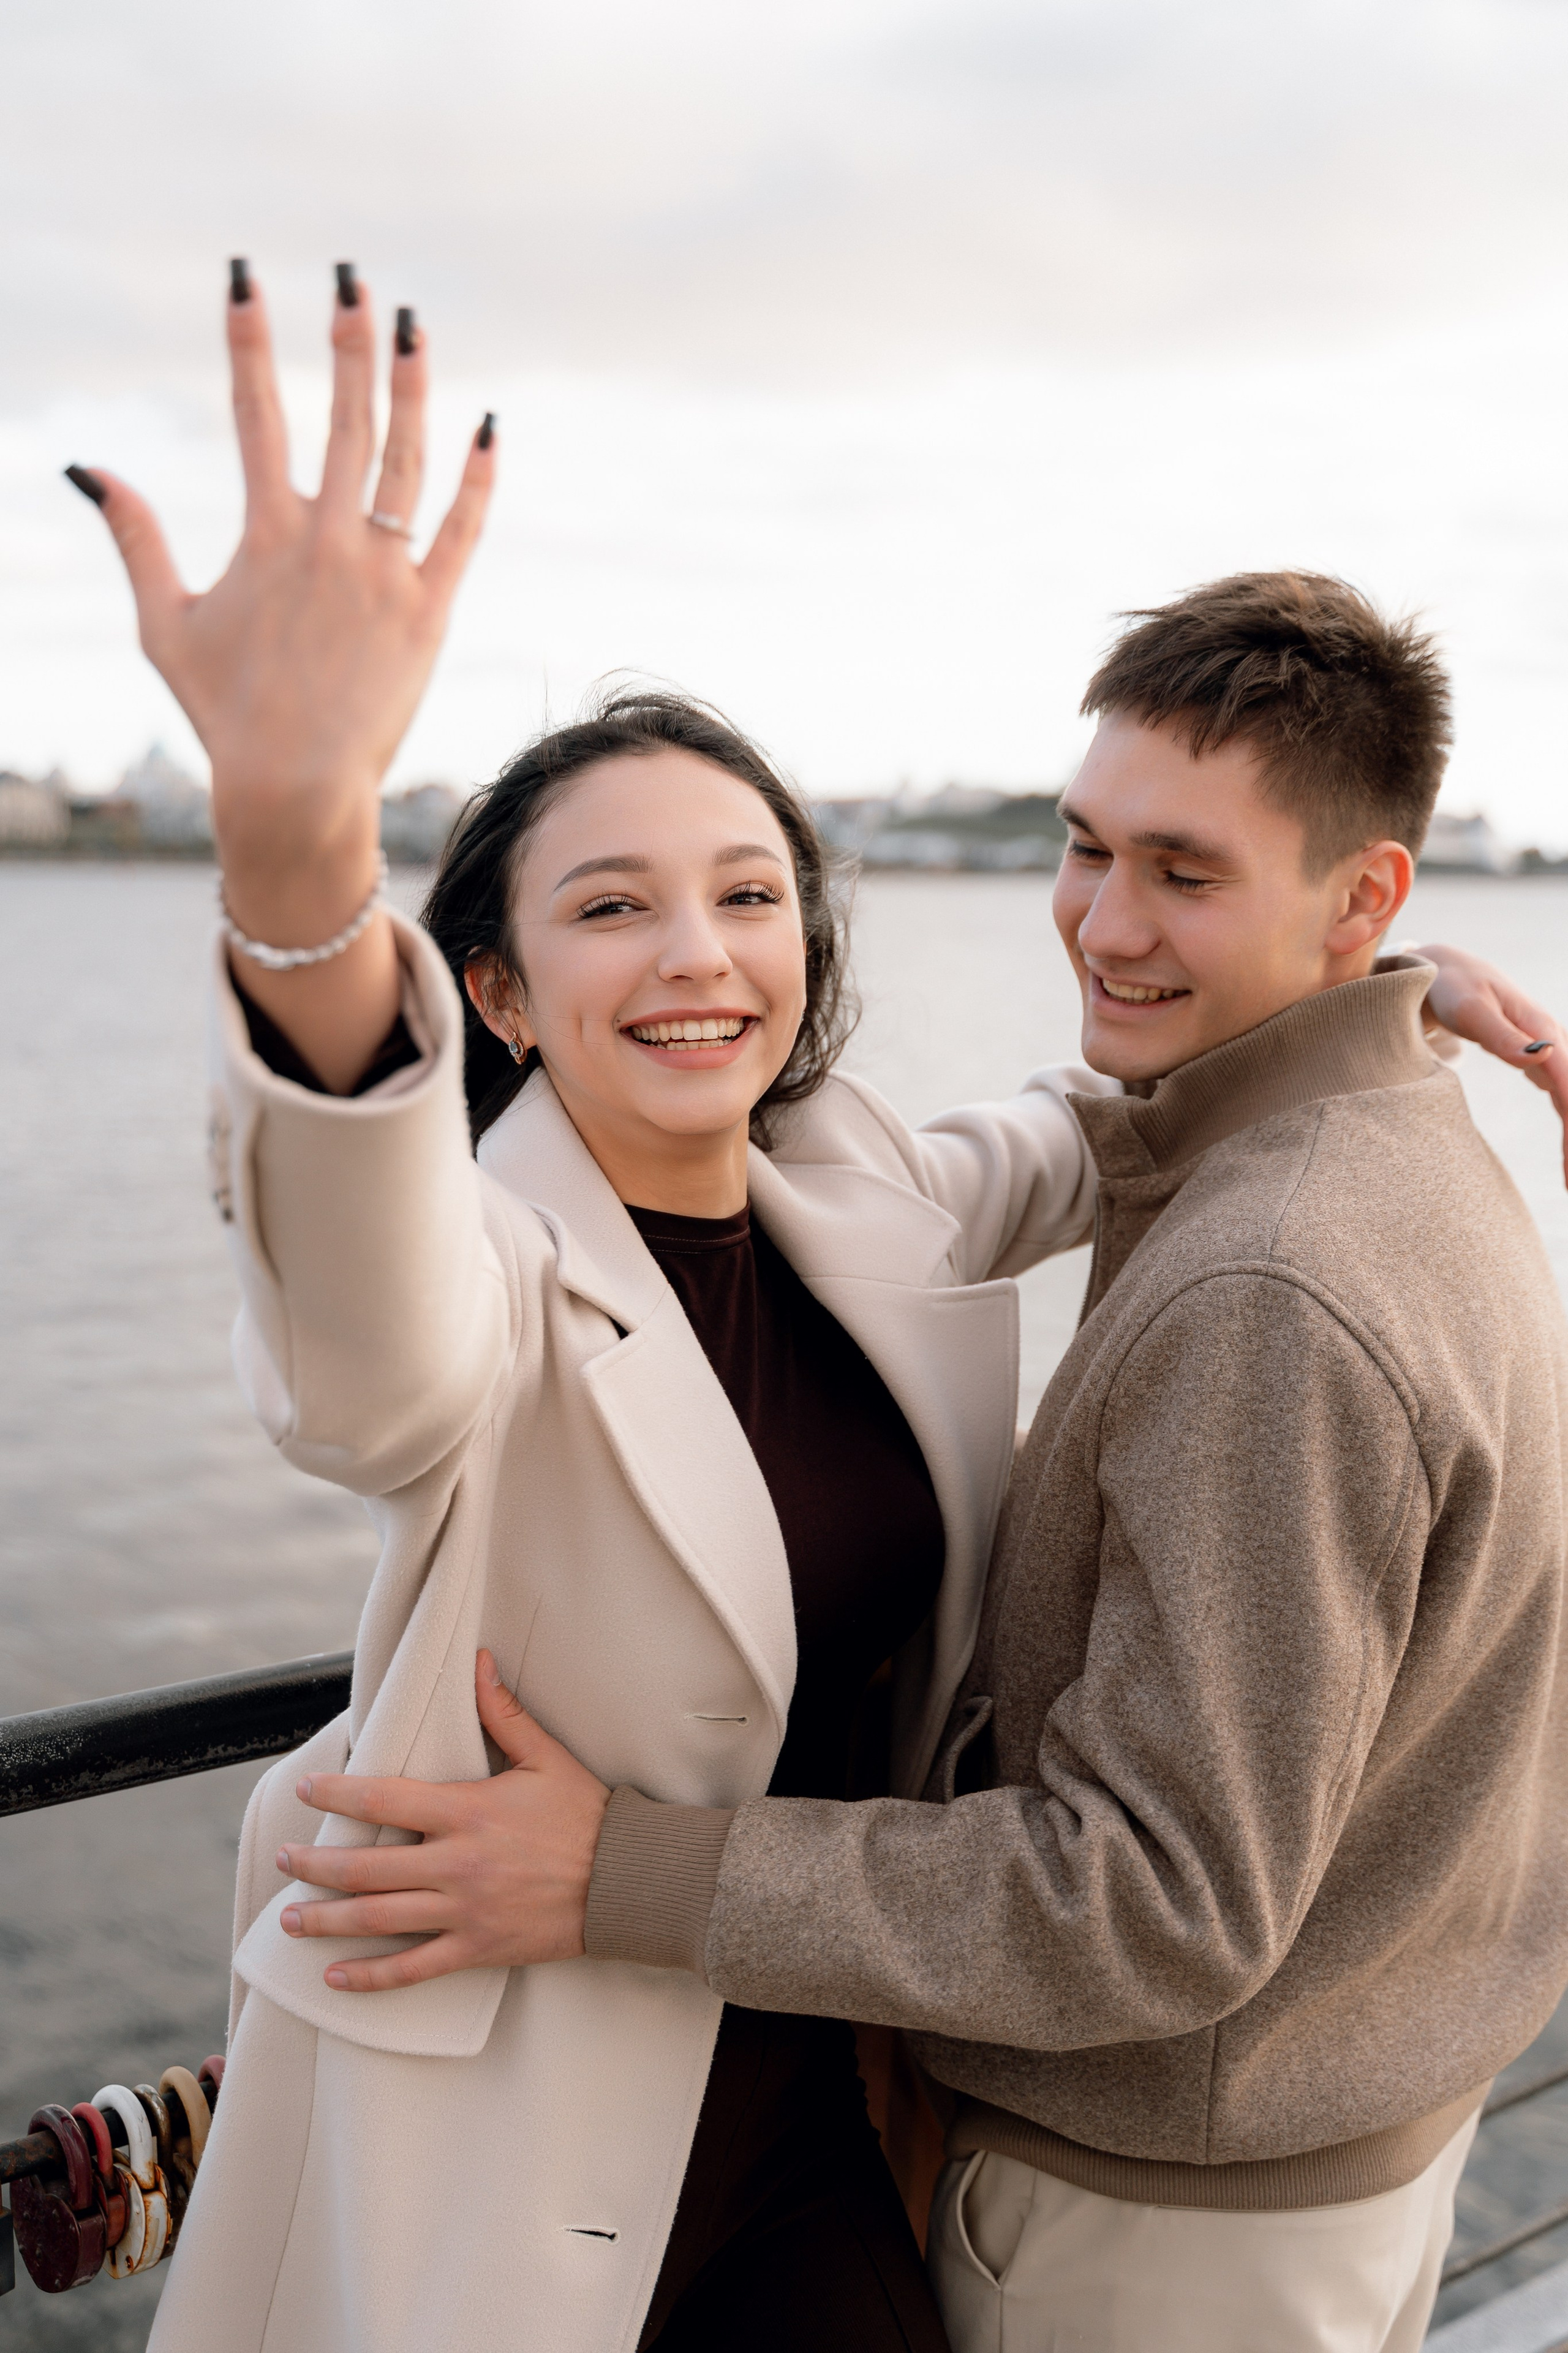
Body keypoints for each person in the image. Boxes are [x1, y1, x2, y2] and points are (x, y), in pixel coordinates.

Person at [65, 272, 1565, 2353]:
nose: (698, 951)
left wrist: (1373, 1001)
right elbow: (357, 1342)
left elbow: (1081, 1118)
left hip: (833, 2093)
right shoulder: (485, 1277)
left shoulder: (859, 1188)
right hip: (524, 2124)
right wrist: (304, 861)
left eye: (747, 889)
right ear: (492, 989)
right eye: (608, 905)